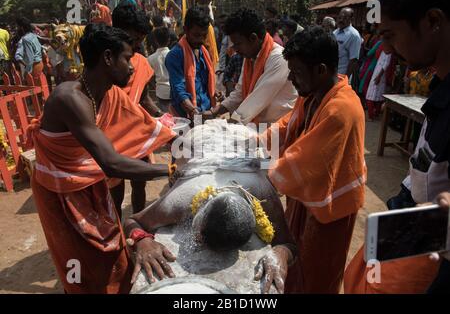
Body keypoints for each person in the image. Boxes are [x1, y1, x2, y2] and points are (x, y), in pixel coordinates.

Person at [27, 24, 176, 294]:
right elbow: (111, 163)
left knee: (111, 253)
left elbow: (144, 122)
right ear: (107, 58)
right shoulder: (69, 98)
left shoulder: (109, 94)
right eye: (127, 58)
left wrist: (183, 138)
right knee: (81, 263)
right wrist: (171, 169)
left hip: (91, 183)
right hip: (61, 191)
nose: (132, 66)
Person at [345, 0, 450, 294]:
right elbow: (424, 167)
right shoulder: (440, 89)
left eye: (390, 35)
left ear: (432, 22)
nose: (387, 48)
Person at [124, 121, 297, 293]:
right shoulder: (181, 200)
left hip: (242, 138)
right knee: (181, 163)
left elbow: (288, 244)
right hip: (201, 138)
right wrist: (143, 241)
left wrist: (281, 253)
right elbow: (132, 221)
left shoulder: (261, 192)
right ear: (197, 224)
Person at [262, 26, 366, 293]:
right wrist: (256, 141)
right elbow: (288, 125)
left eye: (296, 73)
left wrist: (261, 177)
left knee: (318, 271)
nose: (292, 79)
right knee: (295, 257)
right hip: (308, 193)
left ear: (320, 69)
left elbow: (304, 157)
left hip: (331, 206)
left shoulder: (340, 108)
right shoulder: (313, 93)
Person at [109, 4, 164, 216]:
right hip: (112, 136)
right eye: (133, 40)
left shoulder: (140, 62)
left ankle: (138, 223)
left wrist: (161, 116)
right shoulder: (107, 61)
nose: (137, 45)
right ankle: (116, 233)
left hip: (136, 133)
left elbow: (143, 97)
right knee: (115, 189)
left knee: (140, 182)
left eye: (140, 40)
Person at [204, 8, 297, 125]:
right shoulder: (250, 57)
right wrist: (214, 112)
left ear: (253, 38)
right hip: (258, 126)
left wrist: (227, 126)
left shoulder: (279, 58)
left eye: (238, 44)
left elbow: (256, 101)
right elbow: (239, 92)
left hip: (278, 128)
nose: (236, 50)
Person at [165, 7, 218, 119]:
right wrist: (193, 111)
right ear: (185, 30)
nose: (201, 40)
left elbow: (204, 84)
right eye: (196, 35)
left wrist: (215, 93)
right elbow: (179, 89)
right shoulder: (175, 55)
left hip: (206, 112)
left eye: (204, 35)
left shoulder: (204, 52)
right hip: (185, 116)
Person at [365, 43, 393, 120]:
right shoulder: (383, 51)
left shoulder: (389, 52)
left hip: (379, 75)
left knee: (371, 96)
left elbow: (386, 65)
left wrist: (379, 76)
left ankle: (372, 116)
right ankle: (374, 114)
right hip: (377, 73)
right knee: (376, 96)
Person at [333, 8, 363, 77]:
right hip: (331, 75)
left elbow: (353, 60)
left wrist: (345, 78)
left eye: (345, 18)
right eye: (340, 17)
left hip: (341, 76)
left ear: (351, 19)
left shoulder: (354, 35)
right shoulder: (335, 32)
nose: (341, 20)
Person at [148, 27, 171, 103]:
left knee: (163, 114)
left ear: (155, 41)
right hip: (174, 90)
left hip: (160, 92)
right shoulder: (174, 55)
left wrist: (155, 86)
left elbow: (150, 77)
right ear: (169, 40)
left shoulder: (150, 58)